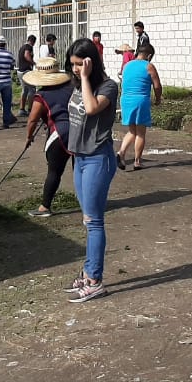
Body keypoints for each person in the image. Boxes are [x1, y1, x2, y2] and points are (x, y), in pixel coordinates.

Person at [64, 38, 118, 303]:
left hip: (98, 158)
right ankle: (87, 272)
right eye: (72, 64)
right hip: (81, 159)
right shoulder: (76, 84)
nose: (75, 69)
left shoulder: (108, 86)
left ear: (91, 62)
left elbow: (92, 108)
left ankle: (95, 280)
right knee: (87, 220)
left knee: (94, 221)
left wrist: (85, 78)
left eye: (79, 64)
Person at [22, 57, 75, 218]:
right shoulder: (72, 87)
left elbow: (32, 120)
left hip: (59, 134)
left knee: (54, 171)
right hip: (79, 131)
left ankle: (45, 207)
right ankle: (90, 204)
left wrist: (29, 137)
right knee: (80, 170)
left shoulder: (41, 95)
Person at [116, 43, 164, 171]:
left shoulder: (127, 65)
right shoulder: (149, 66)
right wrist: (158, 99)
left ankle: (121, 153)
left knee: (132, 131)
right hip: (140, 100)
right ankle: (137, 161)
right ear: (148, 55)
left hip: (125, 100)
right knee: (141, 133)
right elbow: (157, 86)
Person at [16, 37, 36, 114]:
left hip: (20, 71)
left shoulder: (22, 46)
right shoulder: (28, 46)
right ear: (32, 41)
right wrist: (33, 63)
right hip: (26, 71)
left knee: (24, 90)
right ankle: (30, 109)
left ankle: (21, 109)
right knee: (32, 89)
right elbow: (26, 55)